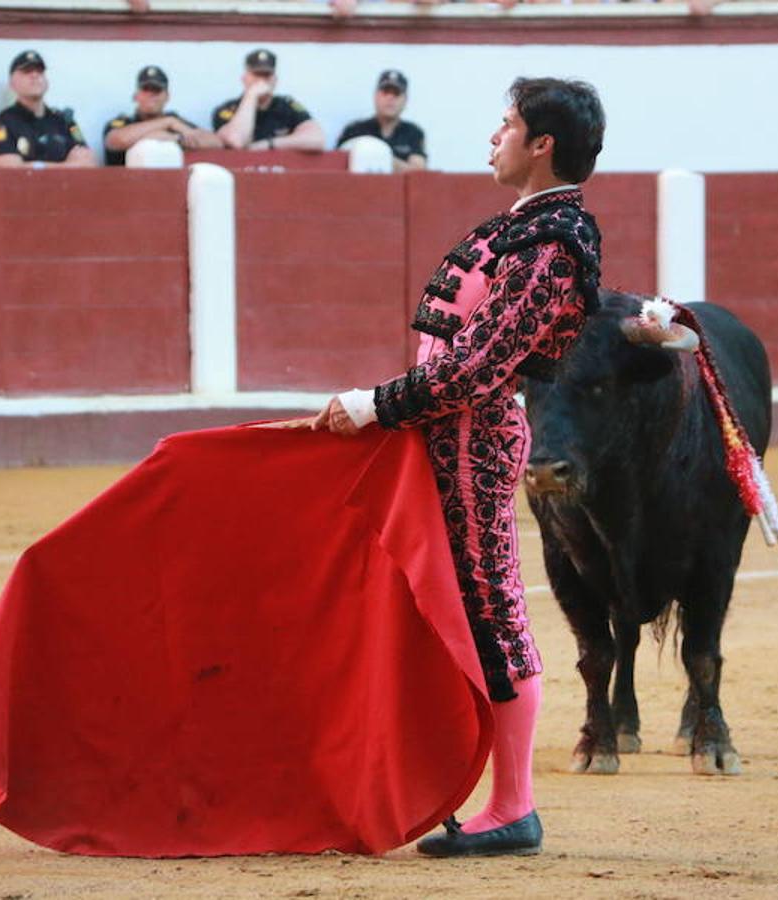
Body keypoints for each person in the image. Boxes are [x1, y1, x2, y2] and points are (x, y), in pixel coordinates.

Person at [263, 77, 606, 858]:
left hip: (473, 445)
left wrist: (375, 404)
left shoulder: (553, 242)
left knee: (491, 611)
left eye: (508, 124)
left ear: (542, 143)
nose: (495, 136)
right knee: (438, 605)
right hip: (441, 439)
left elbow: (476, 366)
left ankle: (514, 804)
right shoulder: (530, 228)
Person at [0, 50, 96, 168]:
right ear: (12, 83)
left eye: (39, 71)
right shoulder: (4, 122)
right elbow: (7, 166)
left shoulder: (63, 120)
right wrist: (68, 166)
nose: (34, 75)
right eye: (26, 71)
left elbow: (88, 162)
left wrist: (31, 166)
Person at [102, 65, 222, 166]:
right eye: (146, 89)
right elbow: (116, 140)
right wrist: (167, 122)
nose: (151, 95)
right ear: (136, 95)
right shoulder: (124, 122)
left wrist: (176, 139)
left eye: (156, 90)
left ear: (167, 96)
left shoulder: (177, 122)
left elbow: (216, 142)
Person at [211, 49, 325, 152]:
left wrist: (269, 144)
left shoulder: (286, 105)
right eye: (256, 75)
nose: (261, 80)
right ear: (244, 78)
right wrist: (251, 96)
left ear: (275, 79)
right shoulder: (227, 109)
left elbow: (317, 140)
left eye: (266, 75)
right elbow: (236, 141)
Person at [335, 69, 427, 173]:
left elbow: (418, 172)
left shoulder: (413, 133)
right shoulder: (354, 130)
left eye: (396, 94)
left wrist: (378, 157)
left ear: (405, 100)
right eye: (385, 92)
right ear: (375, 96)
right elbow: (337, 165)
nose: (390, 98)